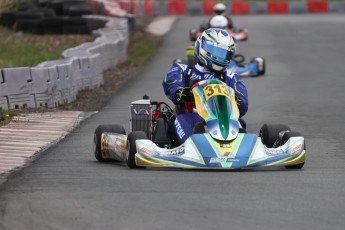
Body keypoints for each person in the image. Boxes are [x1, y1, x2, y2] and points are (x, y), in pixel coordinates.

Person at [162, 28, 248, 144]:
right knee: (182, 121)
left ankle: (241, 147)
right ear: (202, 48)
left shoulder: (231, 77)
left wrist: (236, 100)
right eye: (215, 51)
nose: (219, 57)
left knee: (239, 123)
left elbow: (243, 105)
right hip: (192, 116)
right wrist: (181, 93)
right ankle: (194, 145)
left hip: (223, 120)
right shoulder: (183, 70)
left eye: (223, 54)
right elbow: (171, 86)